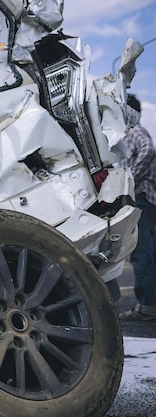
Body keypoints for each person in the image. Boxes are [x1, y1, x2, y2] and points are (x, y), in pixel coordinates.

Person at [118, 94, 156, 320]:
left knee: (141, 254)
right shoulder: (133, 132)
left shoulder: (133, 131)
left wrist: (129, 179)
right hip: (148, 199)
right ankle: (150, 304)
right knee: (149, 254)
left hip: (140, 198)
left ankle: (147, 307)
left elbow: (149, 149)